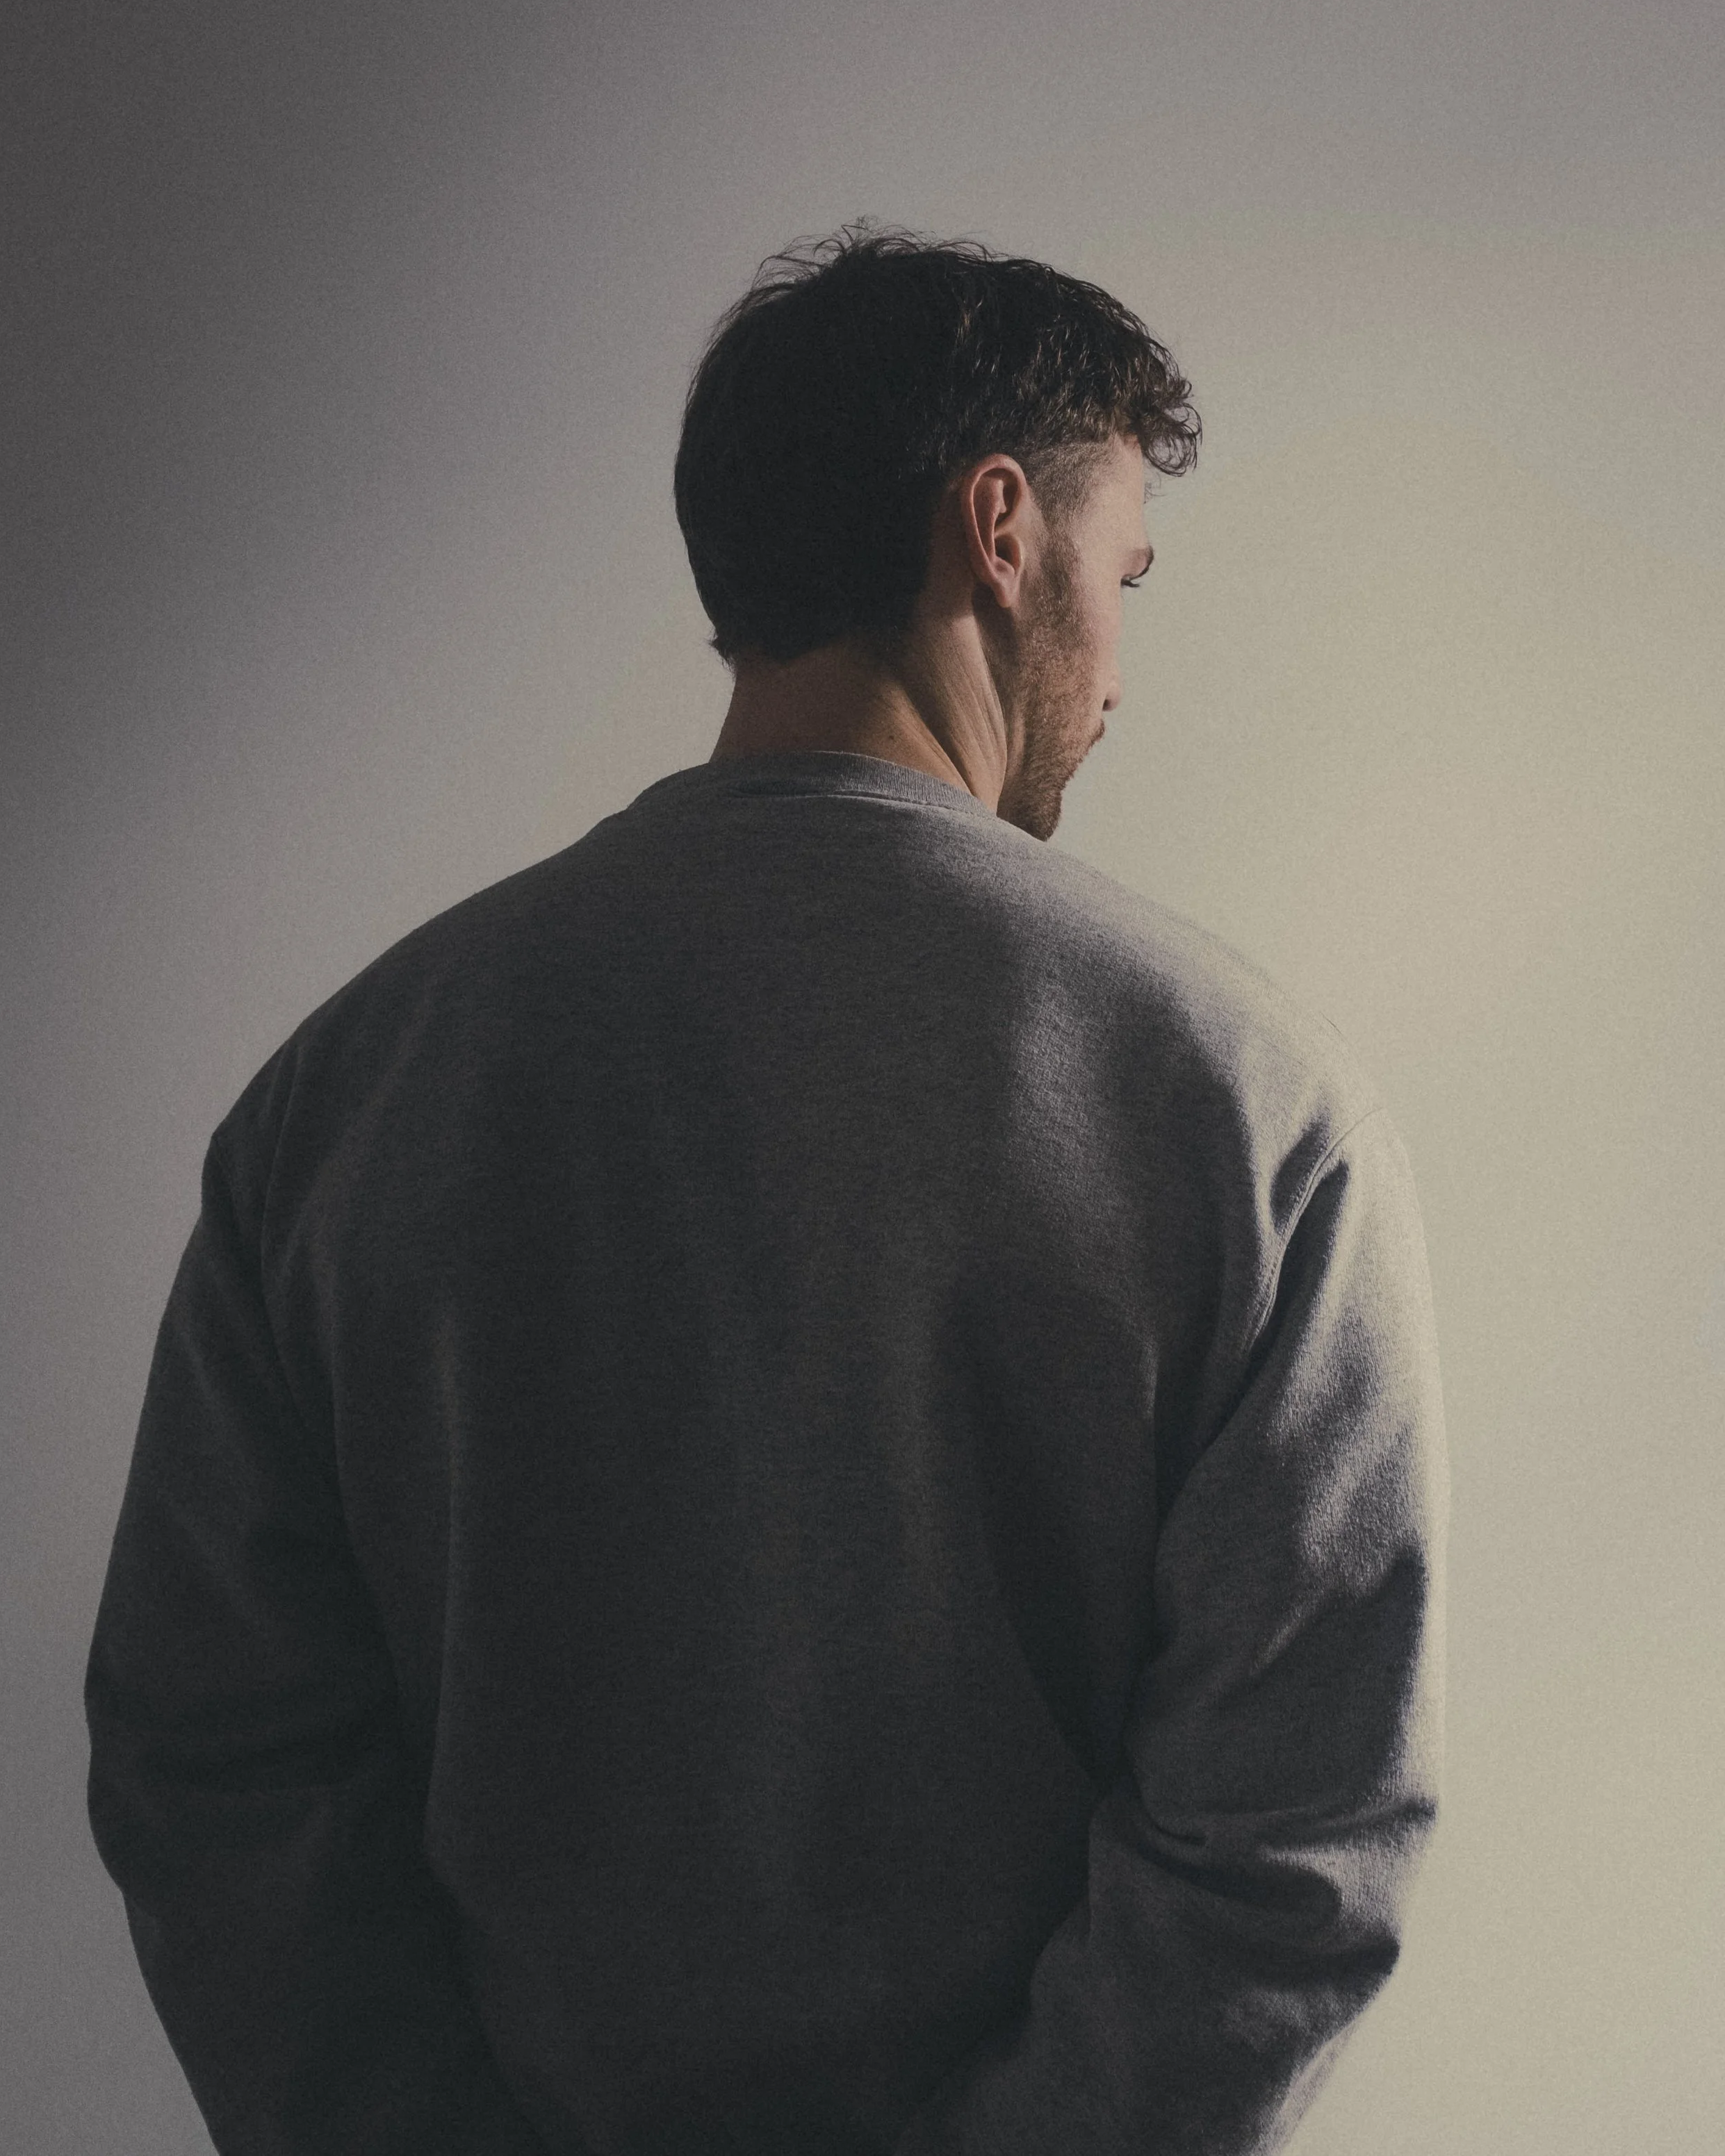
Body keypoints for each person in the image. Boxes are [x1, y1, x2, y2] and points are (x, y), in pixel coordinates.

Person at [86, 222, 1447, 2156]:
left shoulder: (352, 1094)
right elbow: (1293, 1833)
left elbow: (211, 1759)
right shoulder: (1246, 1108)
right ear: (1002, 530)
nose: (1121, 660)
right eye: (1121, 569)